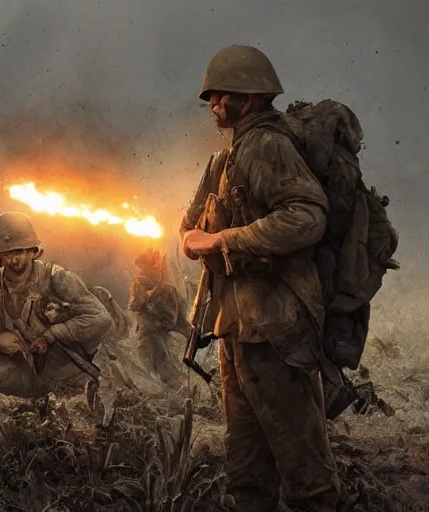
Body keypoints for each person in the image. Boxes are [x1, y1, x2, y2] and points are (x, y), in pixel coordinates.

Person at [180, 45, 340, 511]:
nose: (212, 106)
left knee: (305, 473)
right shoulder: (227, 158)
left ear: (248, 98)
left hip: (276, 329)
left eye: (219, 97)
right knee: (247, 473)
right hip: (238, 329)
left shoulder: (268, 145)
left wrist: (223, 240)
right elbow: (191, 226)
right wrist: (194, 235)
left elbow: (307, 217)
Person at [0, 211, 113, 401]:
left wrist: (52, 335)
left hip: (59, 369)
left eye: (18, 251)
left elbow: (100, 318)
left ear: (32, 251)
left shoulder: (57, 278)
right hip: (17, 378)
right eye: (6, 254)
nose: (13, 260)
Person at [126, 249, 191, 384]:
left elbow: (175, 318)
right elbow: (134, 305)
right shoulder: (139, 284)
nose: (143, 272)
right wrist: (146, 296)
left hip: (163, 335)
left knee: (168, 373)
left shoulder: (168, 289)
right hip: (148, 335)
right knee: (151, 373)